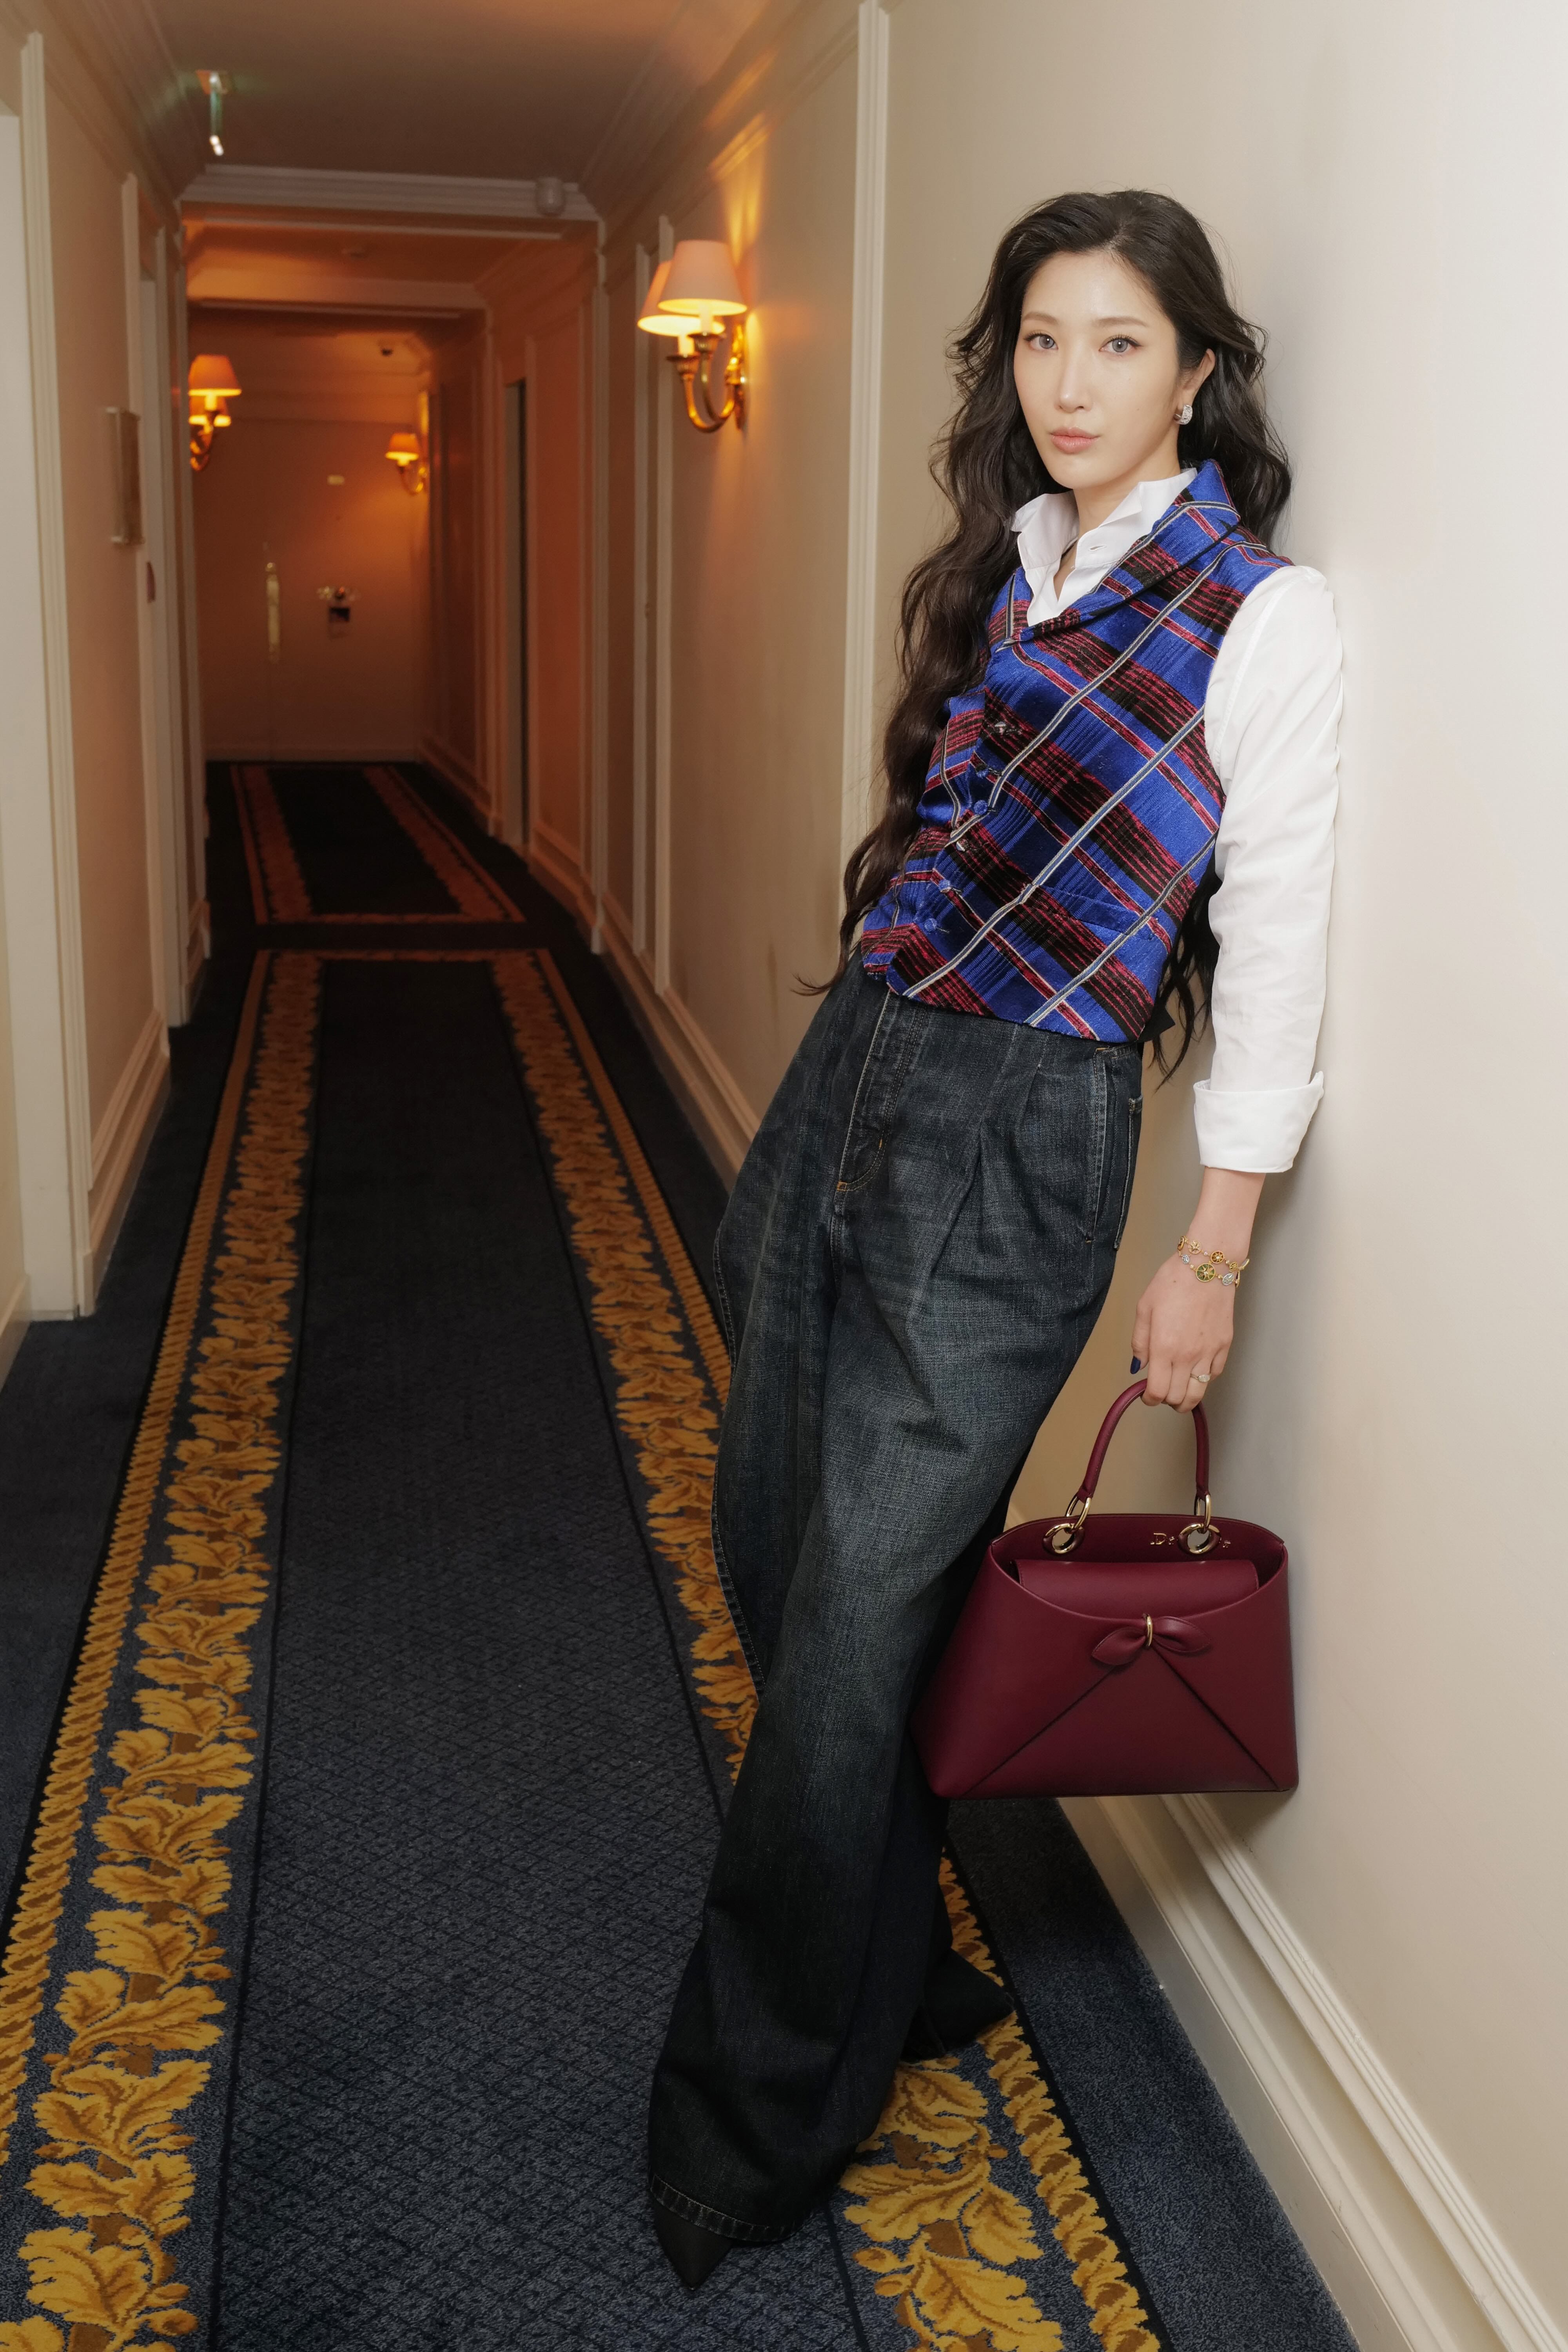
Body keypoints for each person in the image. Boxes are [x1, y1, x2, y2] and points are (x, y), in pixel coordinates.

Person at [647, 189, 1341, 2289]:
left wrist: (1212, 1250)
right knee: (774, 1547)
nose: (1071, 384)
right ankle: (892, 1955)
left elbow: (1278, 949)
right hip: (855, 1070)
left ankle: (756, 2103)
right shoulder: (1016, 561)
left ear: (1198, 370)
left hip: (1025, 1131)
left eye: (1119, 343)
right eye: (1043, 339)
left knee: (858, 1624)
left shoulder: (1260, 615)